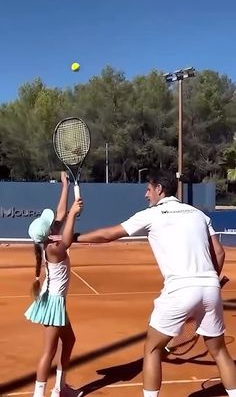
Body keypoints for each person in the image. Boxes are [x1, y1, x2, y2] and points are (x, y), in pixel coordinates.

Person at [76, 169, 236, 397]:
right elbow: (219, 253)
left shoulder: (152, 214)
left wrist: (73, 238)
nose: (146, 194)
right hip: (210, 287)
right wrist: (211, 280)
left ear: (159, 189)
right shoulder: (198, 214)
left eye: (148, 189)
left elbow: (109, 234)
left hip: (180, 290)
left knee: (152, 349)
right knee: (220, 352)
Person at [25, 171, 83, 397]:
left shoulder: (48, 241)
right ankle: (39, 394)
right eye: (51, 224)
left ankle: (60, 388)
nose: (55, 222)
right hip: (53, 303)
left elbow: (60, 213)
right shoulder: (53, 249)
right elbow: (67, 239)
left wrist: (65, 185)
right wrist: (74, 214)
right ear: (49, 232)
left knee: (69, 341)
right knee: (48, 352)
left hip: (55, 301)